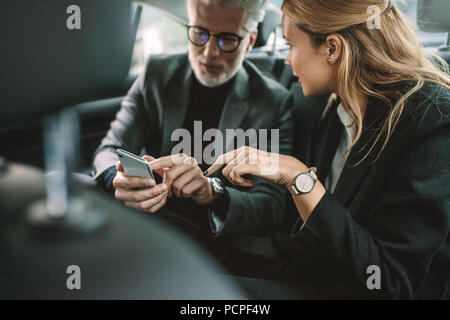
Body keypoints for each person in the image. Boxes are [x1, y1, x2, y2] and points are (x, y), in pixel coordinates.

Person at [206, 0, 450, 299]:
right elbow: (299, 223)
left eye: (290, 44)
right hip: (314, 274)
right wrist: (210, 192)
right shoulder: (332, 108)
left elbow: (389, 282)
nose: (286, 61)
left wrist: (299, 178)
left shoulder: (430, 120)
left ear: (332, 49)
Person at [92, 0, 293, 276]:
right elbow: (109, 150)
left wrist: (211, 192)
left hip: (223, 244)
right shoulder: (157, 74)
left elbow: (270, 207)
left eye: (227, 40)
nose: (209, 53)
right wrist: (116, 180)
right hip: (154, 223)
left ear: (250, 41)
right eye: (199, 33)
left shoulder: (272, 102)